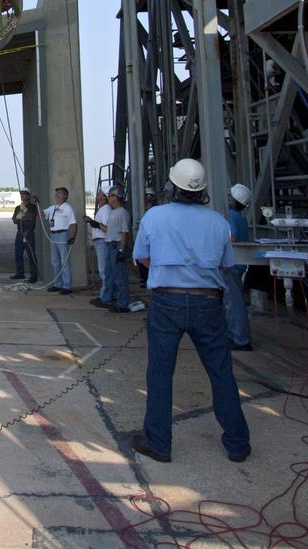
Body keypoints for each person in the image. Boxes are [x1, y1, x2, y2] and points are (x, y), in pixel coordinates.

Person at [130, 158, 251, 465]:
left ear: (172, 187)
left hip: (166, 301)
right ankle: (237, 443)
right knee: (221, 372)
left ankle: (158, 443)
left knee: (160, 373)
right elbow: (226, 265)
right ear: (203, 191)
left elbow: (142, 258)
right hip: (208, 302)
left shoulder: (154, 216)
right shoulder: (218, 222)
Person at [225, 183, 254, 351]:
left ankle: (240, 339)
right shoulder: (240, 217)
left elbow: (232, 237)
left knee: (233, 303)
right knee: (233, 301)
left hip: (232, 262)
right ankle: (234, 335)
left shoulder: (230, 216)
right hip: (240, 262)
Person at [43, 187, 77, 295]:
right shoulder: (52, 208)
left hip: (63, 235)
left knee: (64, 261)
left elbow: (73, 223)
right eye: (56, 193)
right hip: (53, 235)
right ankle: (57, 284)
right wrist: (37, 203)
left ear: (65, 196)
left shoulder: (68, 208)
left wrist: (72, 237)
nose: (56, 195)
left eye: (59, 193)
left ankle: (67, 286)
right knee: (55, 261)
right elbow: (42, 214)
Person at [106, 185, 132, 313]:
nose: (109, 198)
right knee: (113, 275)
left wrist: (121, 250)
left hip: (116, 246)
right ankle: (117, 299)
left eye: (111, 196)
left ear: (117, 198)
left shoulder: (122, 212)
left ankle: (123, 303)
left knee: (120, 277)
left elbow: (124, 233)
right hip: (110, 245)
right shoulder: (113, 212)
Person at [87, 190, 113, 308]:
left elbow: (108, 228)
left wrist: (96, 224)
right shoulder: (102, 209)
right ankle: (105, 294)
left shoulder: (106, 209)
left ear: (104, 197)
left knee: (104, 270)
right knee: (103, 269)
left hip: (103, 241)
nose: (97, 195)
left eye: (99, 194)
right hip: (99, 241)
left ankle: (106, 296)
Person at [10, 189, 40, 282]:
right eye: (21, 194)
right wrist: (21, 212)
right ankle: (20, 273)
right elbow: (15, 220)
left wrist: (25, 213)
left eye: (25, 194)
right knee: (18, 254)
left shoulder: (33, 207)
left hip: (29, 233)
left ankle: (33, 275)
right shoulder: (18, 208)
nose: (23, 196)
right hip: (20, 233)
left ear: (29, 196)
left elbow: (31, 217)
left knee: (31, 255)